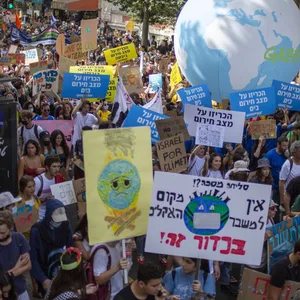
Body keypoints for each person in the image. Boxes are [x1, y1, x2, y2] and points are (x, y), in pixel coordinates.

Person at [29, 199, 73, 297]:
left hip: (63, 271)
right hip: (45, 273)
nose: (60, 222)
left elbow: (70, 248)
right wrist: (43, 279)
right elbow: (33, 259)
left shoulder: (66, 224)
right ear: (48, 215)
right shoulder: (36, 230)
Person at [0, 210, 31, 300]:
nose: (0, 236)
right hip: (3, 293)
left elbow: (28, 265)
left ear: (11, 228)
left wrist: (10, 274)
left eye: (3, 233)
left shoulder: (19, 238)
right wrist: (19, 266)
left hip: (20, 289)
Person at [34, 155, 65, 220]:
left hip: (56, 214)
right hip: (41, 216)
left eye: (58, 166)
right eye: (54, 166)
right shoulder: (38, 181)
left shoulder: (59, 178)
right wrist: (45, 199)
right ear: (47, 167)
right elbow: (31, 200)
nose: (57, 169)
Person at [264, 136, 289, 205]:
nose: (286, 148)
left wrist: (288, 157)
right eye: (284, 145)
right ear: (278, 144)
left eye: (287, 145)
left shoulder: (286, 155)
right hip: (273, 186)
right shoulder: (270, 155)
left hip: (283, 187)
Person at [279, 141, 300, 209]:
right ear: (294, 153)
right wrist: (282, 200)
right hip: (289, 197)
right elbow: (281, 182)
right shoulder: (288, 164)